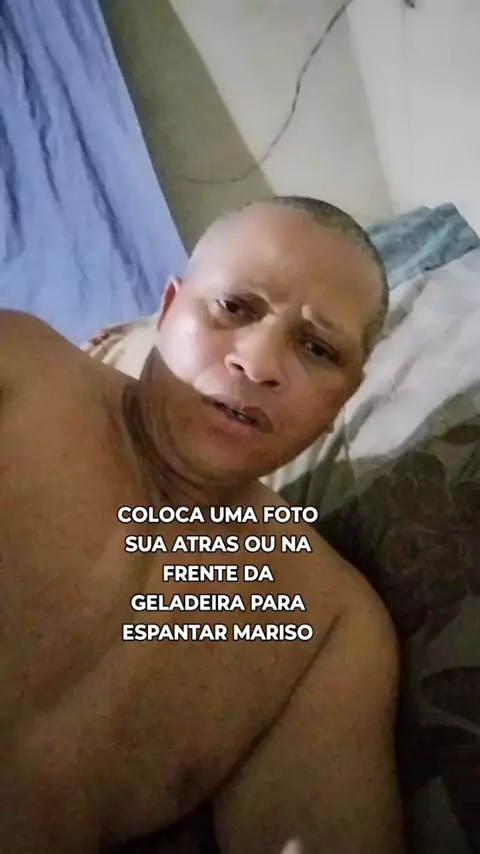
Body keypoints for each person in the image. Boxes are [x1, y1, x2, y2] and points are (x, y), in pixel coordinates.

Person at [0, 196, 404, 854]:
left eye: (316, 348)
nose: (258, 365)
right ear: (167, 311)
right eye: (235, 308)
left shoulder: (326, 631)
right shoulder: (16, 369)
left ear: (344, 399)